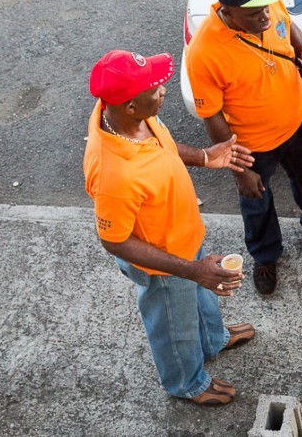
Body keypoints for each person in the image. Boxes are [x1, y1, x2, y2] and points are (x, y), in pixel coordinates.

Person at [83, 49, 257, 406]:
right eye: (155, 89)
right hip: (163, 263)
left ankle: (213, 339)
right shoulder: (115, 174)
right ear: (130, 106)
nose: (163, 90)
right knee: (173, 325)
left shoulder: (125, 117)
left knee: (202, 294)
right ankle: (186, 381)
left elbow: (161, 145)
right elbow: (115, 241)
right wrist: (191, 270)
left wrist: (206, 156)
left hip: (183, 238)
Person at [185, 0, 302, 296]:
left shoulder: (266, 3)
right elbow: (212, 116)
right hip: (253, 143)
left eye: (265, 7)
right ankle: (266, 255)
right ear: (228, 12)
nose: (266, 16)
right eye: (255, 14)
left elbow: (287, 23)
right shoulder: (204, 52)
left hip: (299, 119)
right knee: (256, 200)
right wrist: (238, 168)